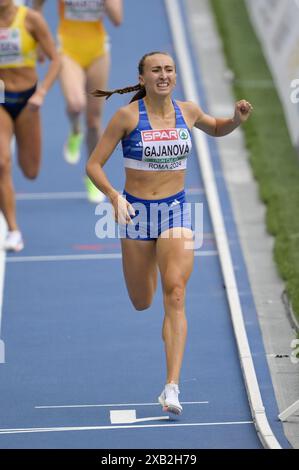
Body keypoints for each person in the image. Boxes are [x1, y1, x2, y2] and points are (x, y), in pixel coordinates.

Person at [86, 51, 253, 415]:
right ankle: (142, 270)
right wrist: (114, 197)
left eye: (169, 69)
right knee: (143, 300)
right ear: (142, 78)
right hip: (136, 215)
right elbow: (93, 164)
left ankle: (172, 387)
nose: (163, 75)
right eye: (156, 70)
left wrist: (236, 120)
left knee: (175, 293)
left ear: (175, 76)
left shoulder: (188, 112)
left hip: (176, 212)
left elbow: (217, 127)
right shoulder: (127, 117)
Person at [33, 0, 123, 203]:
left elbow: (117, 19)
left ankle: (93, 176)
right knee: (75, 104)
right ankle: (75, 131)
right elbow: (37, 6)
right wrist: (39, 41)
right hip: (68, 50)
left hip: (98, 51)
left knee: (93, 121)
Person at [0, 0, 60, 252]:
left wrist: (42, 93)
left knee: (30, 170)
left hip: (28, 100)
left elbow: (56, 60)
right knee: (2, 162)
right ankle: (13, 230)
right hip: (1, 98)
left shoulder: (31, 19)